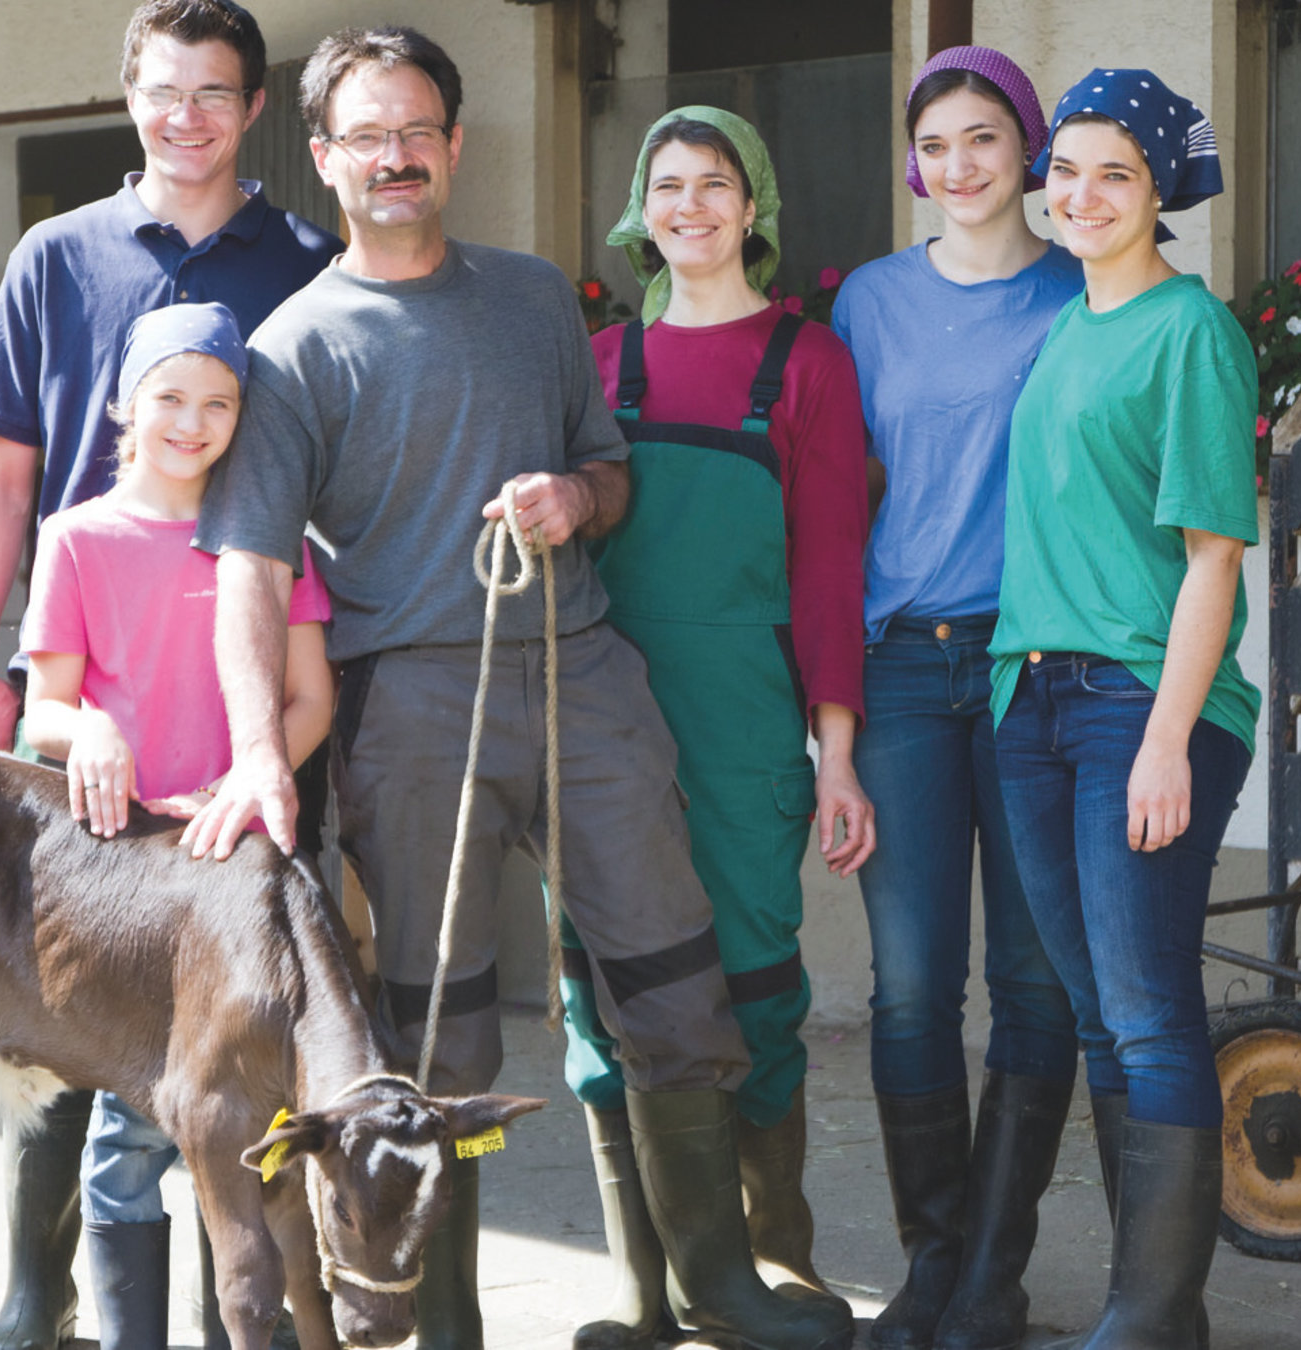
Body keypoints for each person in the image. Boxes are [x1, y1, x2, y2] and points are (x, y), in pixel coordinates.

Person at [179, 27, 856, 1350]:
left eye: (416, 129)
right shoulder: (293, 348)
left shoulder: (538, 298)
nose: (394, 154)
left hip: (586, 675)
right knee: (441, 1041)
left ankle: (711, 1287)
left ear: (454, 143)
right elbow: (249, 570)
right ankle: (450, 1326)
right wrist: (259, 751)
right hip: (410, 706)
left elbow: (610, 476)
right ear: (323, 158)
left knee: (671, 983)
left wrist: (571, 497)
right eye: (367, 135)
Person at [0, 2, 338, 1344]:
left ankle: (237, 1305)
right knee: (57, 998)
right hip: (89, 681)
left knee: (238, 1022)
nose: (187, 114)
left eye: (214, 92)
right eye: (164, 90)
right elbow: (2, 471)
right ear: (129, 98)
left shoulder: (301, 261)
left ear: (253, 104)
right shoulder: (56, 256)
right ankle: (32, 1285)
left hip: (242, 703)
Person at [565, 107, 872, 1350]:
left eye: (715, 185)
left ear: (756, 210)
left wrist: (835, 749)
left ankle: (770, 1263)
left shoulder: (805, 364)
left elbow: (831, 568)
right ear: (642, 211)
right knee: (601, 983)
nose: (689, 206)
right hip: (598, 724)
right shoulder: (592, 366)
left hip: (745, 722)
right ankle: (647, 1284)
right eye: (668, 186)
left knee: (752, 979)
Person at [991, 70, 1257, 1350]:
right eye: (1066, 168)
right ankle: (1143, 1310)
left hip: (1143, 707)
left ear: (1161, 194)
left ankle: (1152, 1319)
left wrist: (1163, 739)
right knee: (1097, 1011)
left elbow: (1213, 556)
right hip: (1032, 700)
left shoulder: (1189, 330)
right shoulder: (1063, 328)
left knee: (1148, 1008)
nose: (1079, 194)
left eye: (1114, 173)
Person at [828, 46, 1085, 1350]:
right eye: (934, 144)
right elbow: (825, 505)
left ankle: (993, 1266)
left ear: (1027, 152)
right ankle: (930, 1259)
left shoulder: (1081, 292)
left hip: (1037, 669)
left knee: (1034, 980)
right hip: (901, 669)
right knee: (912, 982)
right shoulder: (866, 303)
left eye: (983, 138)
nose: (957, 166)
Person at [18, 303, 335, 1349]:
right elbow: (42, 708)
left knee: (254, 1106)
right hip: (128, 877)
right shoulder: (75, 540)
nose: (192, 422)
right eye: (170, 398)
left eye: (218, 403)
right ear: (124, 404)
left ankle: (250, 1327)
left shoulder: (270, 539)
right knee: (132, 1123)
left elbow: (309, 700)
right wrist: (90, 730)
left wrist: (253, 776)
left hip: (240, 862)